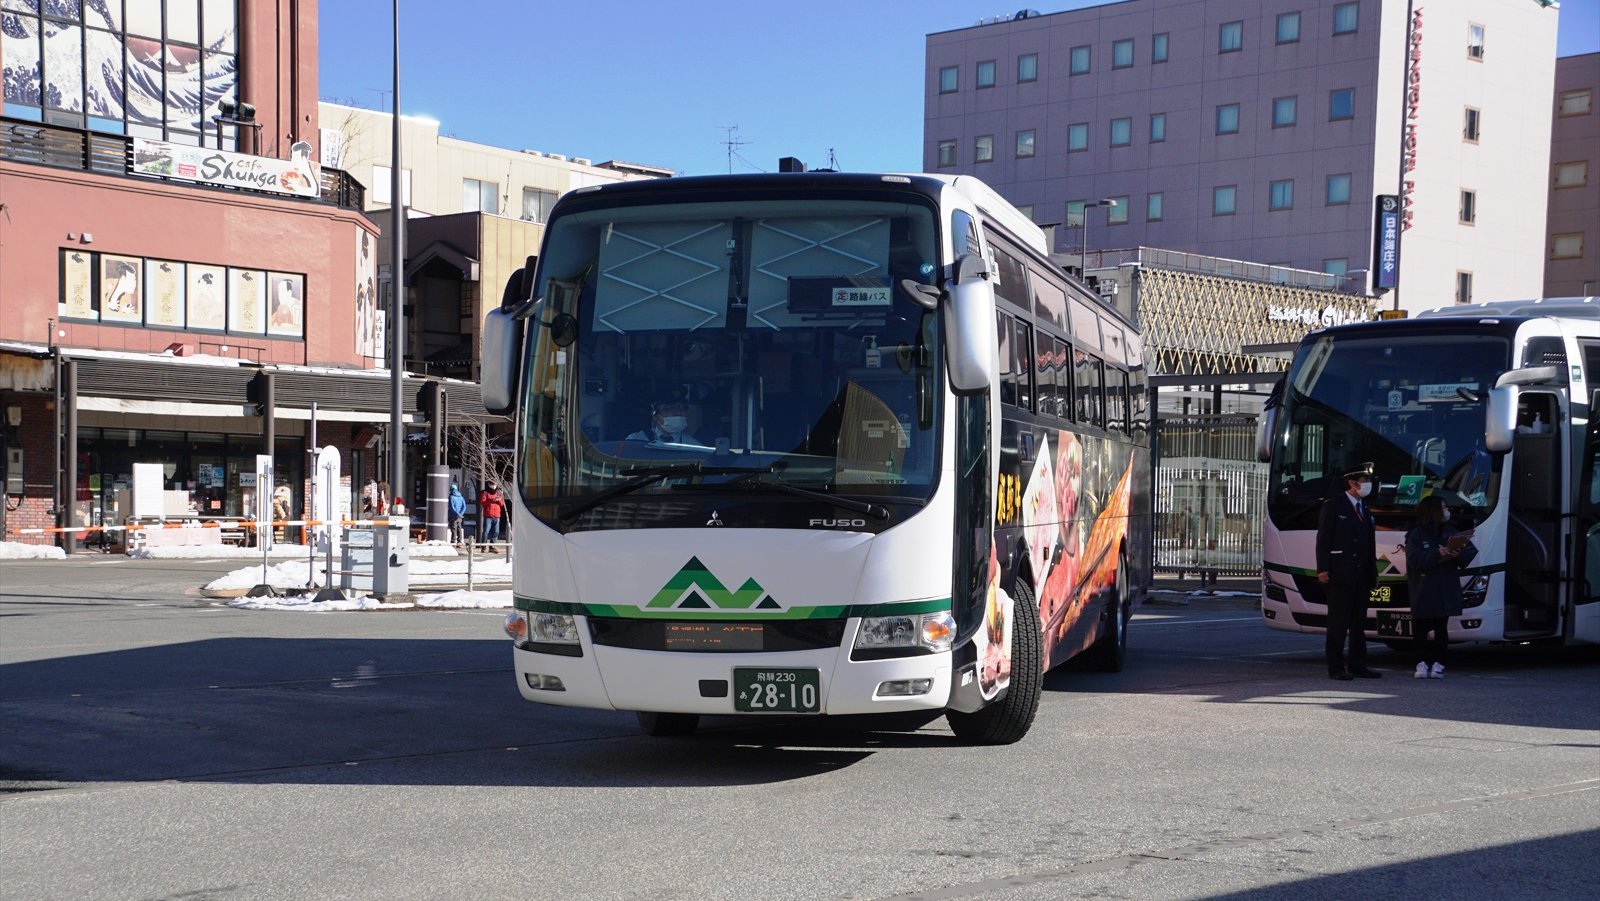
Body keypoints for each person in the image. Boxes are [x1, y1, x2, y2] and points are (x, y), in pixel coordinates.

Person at [1316, 462, 1382, 680]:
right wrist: (1323, 568)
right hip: (1339, 571)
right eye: (1365, 481)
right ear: (1352, 483)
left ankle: (1357, 664)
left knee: (1358, 623)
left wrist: (1373, 573)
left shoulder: (1365, 508)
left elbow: (1369, 543)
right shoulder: (1334, 505)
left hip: (1361, 573)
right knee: (1338, 622)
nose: (1369, 485)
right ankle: (1335, 667)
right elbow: (1323, 538)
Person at [1405, 495, 1477, 679]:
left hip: (1445, 585)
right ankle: (1421, 662)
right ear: (1434, 511)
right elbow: (1414, 560)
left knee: (1441, 626)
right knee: (1420, 627)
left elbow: (1468, 556)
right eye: (1444, 507)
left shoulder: (1451, 531)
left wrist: (1457, 553)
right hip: (1424, 587)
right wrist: (1437, 553)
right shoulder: (1416, 534)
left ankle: (1439, 663)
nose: (1448, 511)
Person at [626, 399, 700, 445]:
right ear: (655, 415)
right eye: (670, 409)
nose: (678, 413)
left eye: (683, 408)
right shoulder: (635, 441)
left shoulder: (694, 446)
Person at [479, 480, 505, 551]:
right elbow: (483, 503)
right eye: (492, 484)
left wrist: (498, 500)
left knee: (496, 532)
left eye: (495, 484)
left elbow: (502, 504)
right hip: (488, 514)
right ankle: (483, 546)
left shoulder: (499, 492)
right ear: (489, 484)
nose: (493, 485)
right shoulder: (484, 492)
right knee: (486, 531)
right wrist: (492, 500)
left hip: (497, 515)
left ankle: (492, 546)